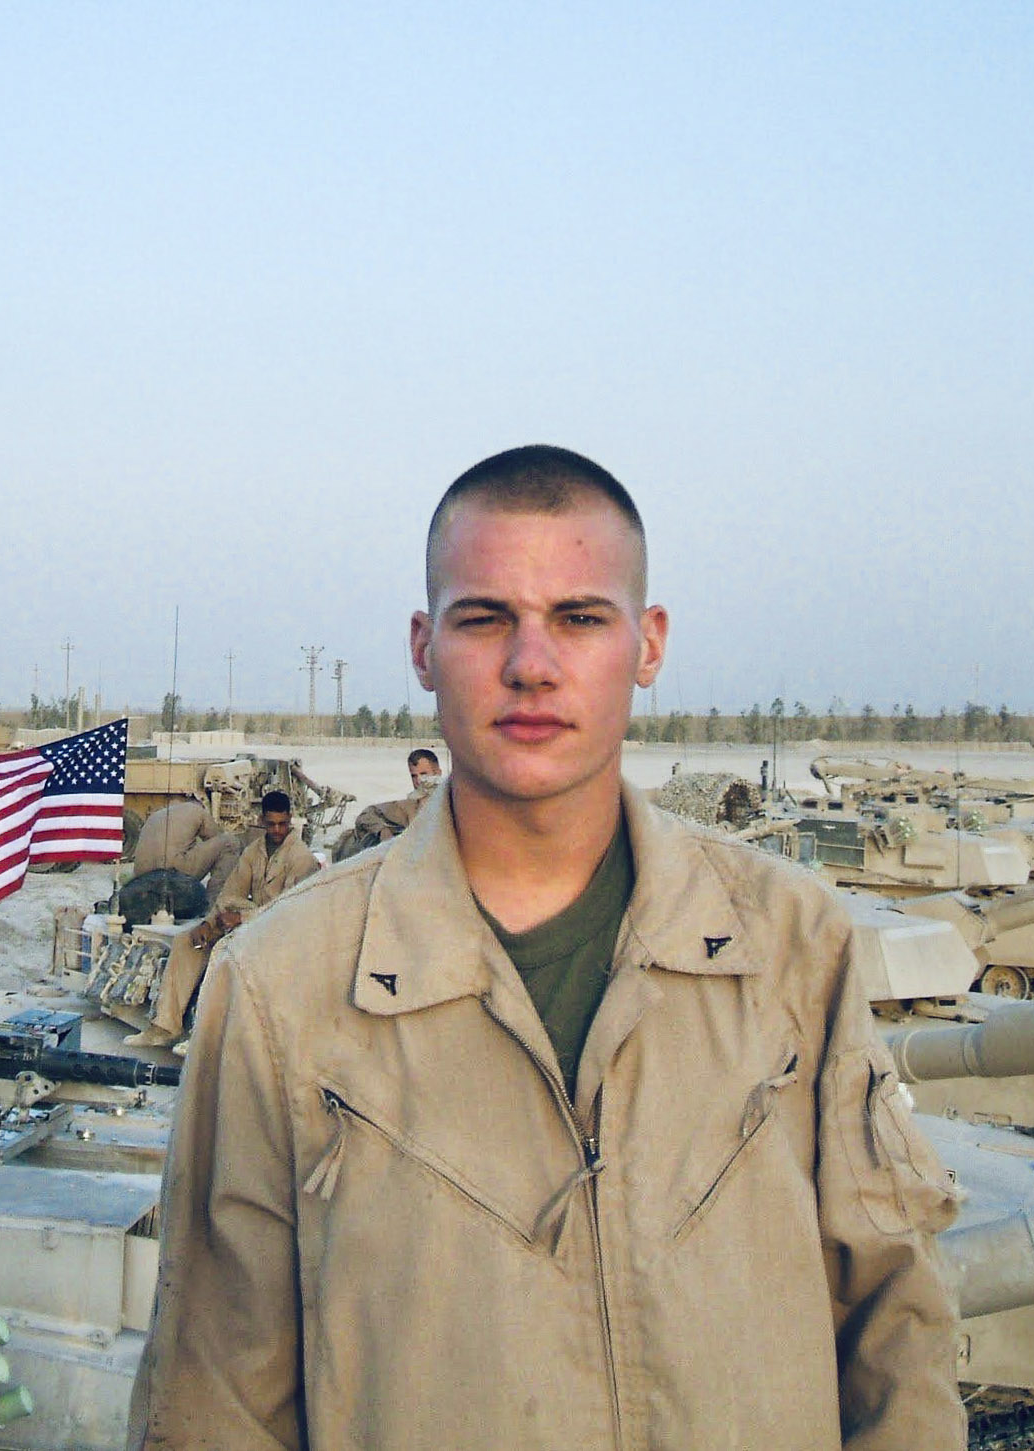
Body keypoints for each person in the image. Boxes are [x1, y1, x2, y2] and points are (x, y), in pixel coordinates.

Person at [129, 446, 963, 1449]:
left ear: (647, 644)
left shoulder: (789, 945)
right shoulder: (280, 989)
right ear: (423, 646)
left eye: (579, 616)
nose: (531, 662)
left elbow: (897, 1339)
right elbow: (214, 1398)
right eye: (485, 617)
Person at [122, 791, 320, 1056]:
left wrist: (242, 918)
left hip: (282, 932)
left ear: (290, 821)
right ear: (262, 820)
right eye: (271, 823)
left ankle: (203, 1035)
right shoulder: (255, 850)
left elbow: (289, 911)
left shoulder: (301, 857)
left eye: (282, 824)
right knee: (187, 941)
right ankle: (165, 1027)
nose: (276, 830)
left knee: (223, 954)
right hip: (252, 924)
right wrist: (209, 922)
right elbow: (230, 893)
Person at [333, 747, 442, 860]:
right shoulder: (407, 806)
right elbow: (367, 815)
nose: (418, 780)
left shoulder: (450, 803)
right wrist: (383, 831)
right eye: (414, 776)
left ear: (438, 773)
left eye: (424, 774)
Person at [132, 798, 242, 897]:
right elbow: (215, 837)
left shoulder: (156, 815)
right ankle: (214, 901)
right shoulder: (198, 810)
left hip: (142, 879)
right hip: (172, 874)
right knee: (230, 843)